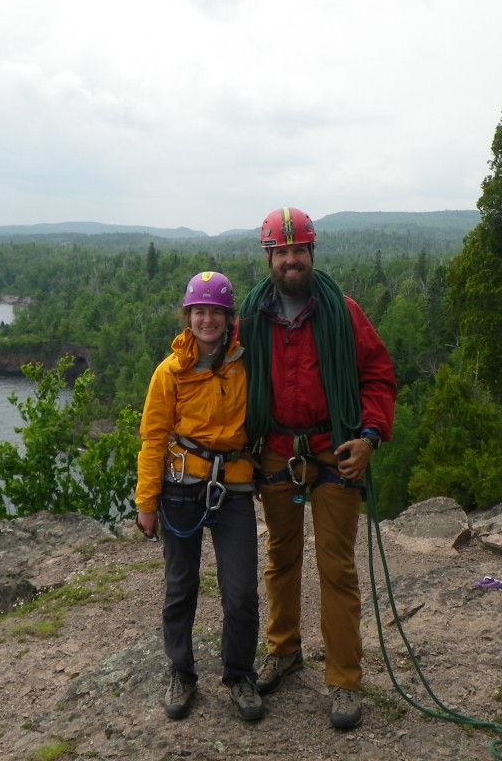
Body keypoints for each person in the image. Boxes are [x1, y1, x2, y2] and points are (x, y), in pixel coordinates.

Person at [238, 207, 396, 730]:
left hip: (334, 450)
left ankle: (344, 679)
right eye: (281, 252)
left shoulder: (342, 312)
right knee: (280, 557)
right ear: (269, 257)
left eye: (298, 251)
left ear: (311, 254)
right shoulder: (251, 318)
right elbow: (232, 384)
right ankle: (283, 652)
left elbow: (377, 375)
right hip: (276, 451)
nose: (290, 260)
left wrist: (370, 436)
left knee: (337, 568)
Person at [134, 271, 263, 723]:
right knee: (180, 586)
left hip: (233, 487)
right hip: (181, 489)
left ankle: (240, 673)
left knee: (242, 590)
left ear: (229, 319)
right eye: (199, 311)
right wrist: (146, 502)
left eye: (215, 312)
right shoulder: (169, 374)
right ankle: (181, 672)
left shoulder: (247, 366)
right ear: (188, 317)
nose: (207, 319)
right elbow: (153, 439)